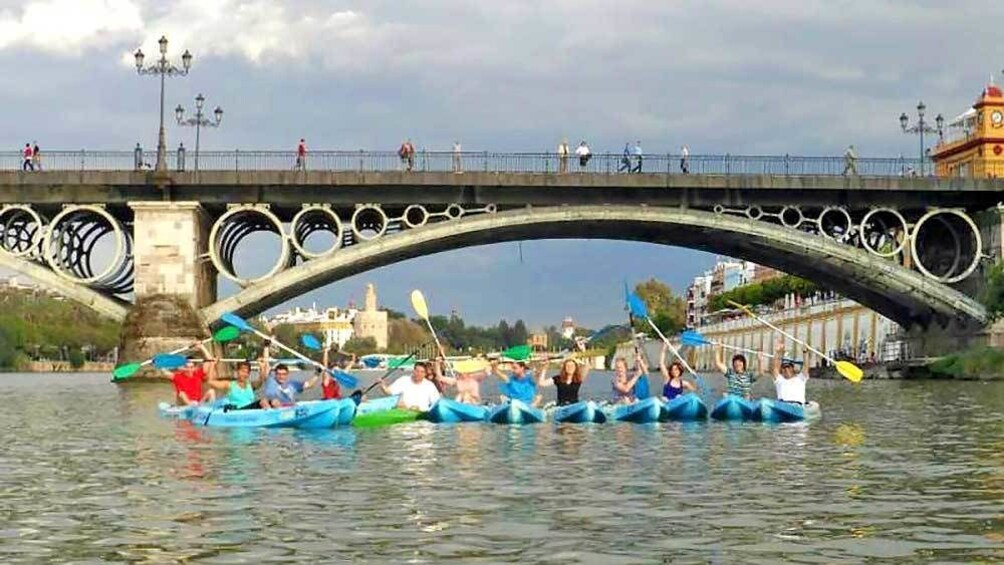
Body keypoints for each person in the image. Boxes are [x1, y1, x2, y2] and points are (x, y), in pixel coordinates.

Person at [259, 343, 320, 408]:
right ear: (275, 374)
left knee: (275, 402)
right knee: (263, 401)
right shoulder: (270, 380)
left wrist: (318, 373)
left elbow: (309, 384)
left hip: (287, 408)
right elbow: (266, 363)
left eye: (283, 374)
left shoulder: (292, 384)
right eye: (279, 374)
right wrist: (266, 347)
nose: (281, 376)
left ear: (287, 374)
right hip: (271, 408)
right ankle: (270, 416)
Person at [164, 342, 218, 406]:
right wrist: (160, 361)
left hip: (198, 404)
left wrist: (202, 347)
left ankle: (211, 411)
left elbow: (210, 360)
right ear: (183, 367)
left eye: (191, 367)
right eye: (187, 367)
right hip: (184, 404)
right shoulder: (177, 376)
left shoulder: (198, 373)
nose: (189, 369)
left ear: (194, 367)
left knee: (211, 391)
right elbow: (164, 371)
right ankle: (192, 407)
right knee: (182, 394)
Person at [772, 337, 810, 405]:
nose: (786, 369)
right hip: (783, 405)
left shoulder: (801, 378)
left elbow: (806, 365)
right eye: (784, 367)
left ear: (792, 368)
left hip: (798, 405)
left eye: (788, 367)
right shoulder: (779, 380)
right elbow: (775, 368)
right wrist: (777, 352)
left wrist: (805, 352)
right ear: (781, 369)